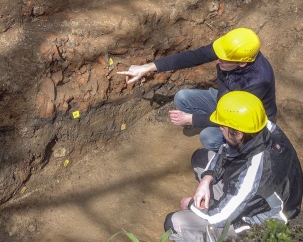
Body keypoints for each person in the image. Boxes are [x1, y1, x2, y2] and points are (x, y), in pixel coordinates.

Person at [163, 91, 302, 242]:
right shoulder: (262, 127)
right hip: (261, 192)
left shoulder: (255, 172)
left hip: (264, 217)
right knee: (201, 158)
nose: (220, 128)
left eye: (223, 126)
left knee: (173, 223)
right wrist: (207, 179)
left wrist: (190, 204)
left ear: (239, 134)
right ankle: (222, 199)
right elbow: (226, 148)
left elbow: (220, 217)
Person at [117, 27, 276, 151]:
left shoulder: (256, 82)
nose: (217, 60)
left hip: (248, 123)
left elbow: (232, 119)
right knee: (182, 97)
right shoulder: (232, 51)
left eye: (223, 60)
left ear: (242, 63)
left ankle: (237, 156)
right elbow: (193, 56)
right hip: (225, 100)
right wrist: (147, 67)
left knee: (208, 138)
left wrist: (191, 119)